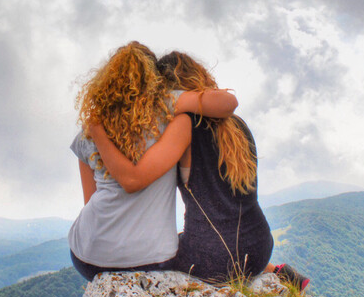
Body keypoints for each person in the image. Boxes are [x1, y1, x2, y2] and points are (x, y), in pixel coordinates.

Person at [89, 51, 279, 284]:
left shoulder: (183, 126)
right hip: (260, 247)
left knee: (158, 253)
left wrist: (101, 133)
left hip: (214, 259)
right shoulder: (238, 125)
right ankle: (278, 271)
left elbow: (136, 179)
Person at [68, 42, 237, 281]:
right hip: (152, 259)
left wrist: (97, 130)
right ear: (153, 77)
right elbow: (228, 103)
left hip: (88, 256)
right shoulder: (167, 106)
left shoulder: (90, 131)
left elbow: (90, 201)